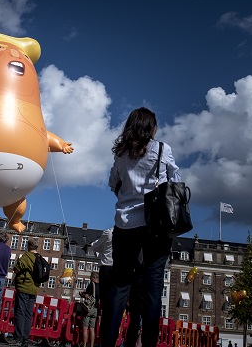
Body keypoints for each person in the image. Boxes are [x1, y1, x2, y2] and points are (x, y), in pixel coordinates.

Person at [102, 107, 180, 347]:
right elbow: (175, 183)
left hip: (125, 225)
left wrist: (127, 192)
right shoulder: (162, 150)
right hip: (156, 225)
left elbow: (112, 183)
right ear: (151, 128)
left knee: (119, 284)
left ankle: (107, 341)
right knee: (153, 286)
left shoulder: (121, 154)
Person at [11, 238, 40, 347]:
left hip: (24, 287)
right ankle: (25, 338)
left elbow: (17, 268)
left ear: (29, 246)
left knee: (20, 312)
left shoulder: (26, 256)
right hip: (34, 289)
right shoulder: (40, 258)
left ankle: (18, 337)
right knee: (28, 314)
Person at [89, 228, 113, 343]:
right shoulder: (129, 233)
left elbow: (97, 246)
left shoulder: (109, 233)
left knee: (105, 308)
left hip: (107, 269)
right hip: (121, 271)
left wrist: (94, 245)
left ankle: (104, 340)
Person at [81, 272, 100, 347]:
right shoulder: (101, 286)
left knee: (85, 328)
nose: (90, 279)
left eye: (91, 277)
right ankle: (92, 345)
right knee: (92, 329)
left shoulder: (92, 285)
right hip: (95, 309)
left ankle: (85, 345)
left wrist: (82, 294)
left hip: (88, 308)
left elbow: (87, 295)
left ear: (94, 278)